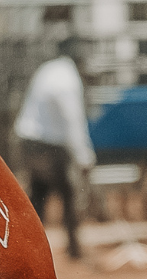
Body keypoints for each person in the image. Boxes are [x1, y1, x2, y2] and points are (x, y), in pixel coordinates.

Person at [14, 39, 95, 260]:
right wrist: (84, 157)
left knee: (38, 195)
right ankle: (74, 250)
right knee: (68, 194)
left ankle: (29, 251)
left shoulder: (49, 69)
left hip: (28, 139)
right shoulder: (68, 81)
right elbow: (73, 120)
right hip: (47, 144)